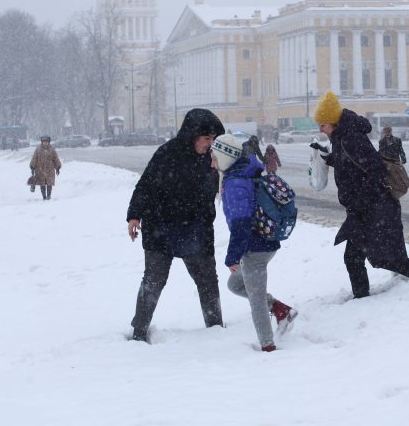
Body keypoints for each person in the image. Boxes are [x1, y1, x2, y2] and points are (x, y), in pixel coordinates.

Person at [311, 91, 409, 299]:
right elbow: (352, 165)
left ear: (333, 121)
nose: (320, 128)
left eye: (323, 124)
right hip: (366, 210)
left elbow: (376, 170)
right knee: (361, 257)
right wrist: (329, 158)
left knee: (383, 259)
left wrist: (362, 201)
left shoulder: (351, 138)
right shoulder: (341, 137)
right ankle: (363, 297)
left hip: (374, 209)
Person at [126, 108, 226, 343]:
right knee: (153, 280)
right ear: (192, 135)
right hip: (162, 228)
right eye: (206, 139)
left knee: (207, 280)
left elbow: (210, 192)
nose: (209, 144)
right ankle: (139, 332)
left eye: (213, 139)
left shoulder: (210, 159)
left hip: (195, 231)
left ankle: (216, 329)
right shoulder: (167, 154)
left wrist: (216, 171)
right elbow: (145, 185)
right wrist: (134, 216)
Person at [212, 133, 297, 352]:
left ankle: (267, 346)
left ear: (224, 157)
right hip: (262, 242)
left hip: (255, 247)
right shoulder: (246, 171)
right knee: (235, 285)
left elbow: (241, 223)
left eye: (214, 156)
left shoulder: (236, 182)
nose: (212, 161)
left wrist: (232, 257)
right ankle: (279, 308)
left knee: (256, 300)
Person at [29, 135, 62, 201]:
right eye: (44, 142)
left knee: (49, 184)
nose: (45, 143)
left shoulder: (52, 149)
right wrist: (32, 167)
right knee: (42, 184)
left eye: (46, 142)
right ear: (42, 142)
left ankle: (49, 196)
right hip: (40, 170)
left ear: (49, 142)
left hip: (50, 170)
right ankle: (44, 197)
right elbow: (34, 158)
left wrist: (57, 167)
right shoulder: (38, 149)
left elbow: (56, 159)